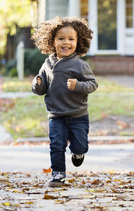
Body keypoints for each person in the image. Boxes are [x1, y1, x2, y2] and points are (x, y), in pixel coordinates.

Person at [31, 16, 98, 187]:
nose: (65, 42)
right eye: (61, 38)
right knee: (56, 145)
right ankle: (58, 174)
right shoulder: (47, 64)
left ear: (78, 41)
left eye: (71, 39)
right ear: (52, 41)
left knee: (80, 146)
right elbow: (41, 89)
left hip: (78, 115)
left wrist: (78, 86)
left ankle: (78, 153)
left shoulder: (80, 65)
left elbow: (92, 84)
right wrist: (37, 83)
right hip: (56, 114)